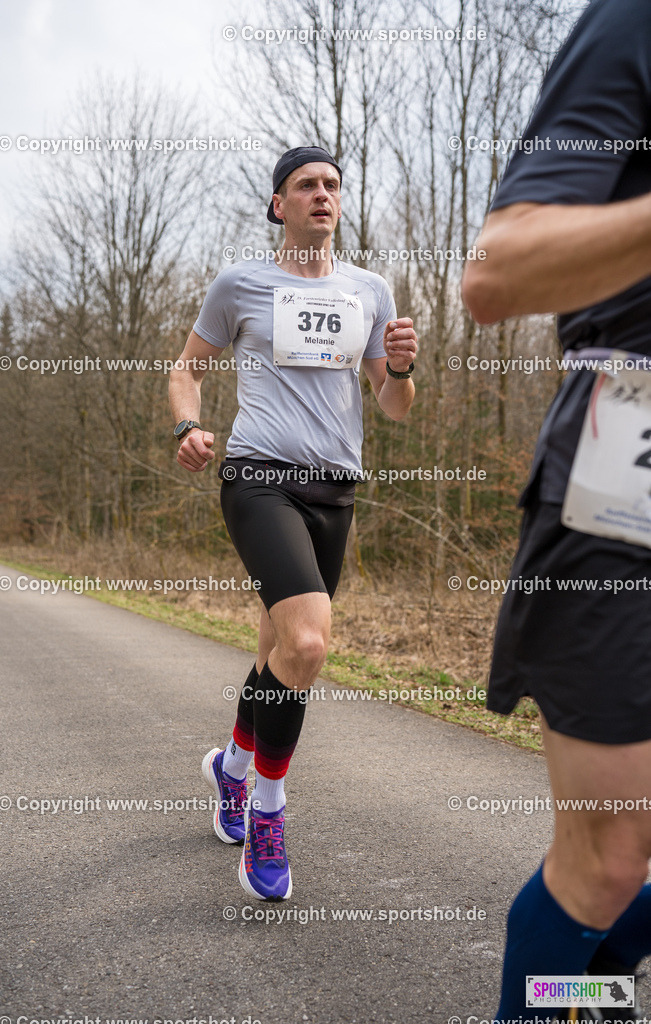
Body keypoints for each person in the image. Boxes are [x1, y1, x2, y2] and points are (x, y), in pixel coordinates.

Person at [462, 1, 651, 1020]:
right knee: (612, 853)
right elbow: (496, 273)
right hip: (626, 476)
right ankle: (559, 997)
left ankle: (581, 991)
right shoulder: (632, 23)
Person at [169, 146, 418, 902]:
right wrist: (186, 426)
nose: (322, 194)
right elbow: (186, 367)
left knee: (280, 649)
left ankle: (231, 770)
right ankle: (267, 817)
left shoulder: (369, 290)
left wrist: (402, 370)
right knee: (308, 644)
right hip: (259, 478)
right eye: (306, 185)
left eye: (332, 185)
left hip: (335, 491)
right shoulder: (241, 284)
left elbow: (392, 406)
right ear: (278, 204)